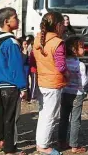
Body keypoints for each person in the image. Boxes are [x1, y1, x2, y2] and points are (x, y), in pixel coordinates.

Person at [0, 7, 27, 155]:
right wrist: (23, 87)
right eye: (15, 17)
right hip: (11, 85)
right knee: (11, 118)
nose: (18, 20)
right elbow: (16, 67)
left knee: (0, 116)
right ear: (7, 22)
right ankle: (10, 150)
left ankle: (0, 143)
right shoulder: (11, 42)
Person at [31, 12, 67, 155]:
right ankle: (44, 145)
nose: (64, 28)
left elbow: (33, 60)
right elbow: (61, 66)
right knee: (50, 116)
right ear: (58, 25)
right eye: (63, 25)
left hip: (42, 81)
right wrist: (68, 74)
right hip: (53, 83)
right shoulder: (58, 43)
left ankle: (41, 142)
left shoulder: (38, 40)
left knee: (44, 113)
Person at [57, 36, 87, 154]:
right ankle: (74, 145)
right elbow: (83, 81)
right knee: (75, 120)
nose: (84, 49)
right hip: (77, 94)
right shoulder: (80, 65)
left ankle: (61, 141)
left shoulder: (64, 63)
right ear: (74, 50)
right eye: (81, 47)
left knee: (63, 118)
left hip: (65, 93)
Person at [18, 37, 30, 102]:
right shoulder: (20, 52)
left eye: (26, 44)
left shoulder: (27, 51)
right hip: (22, 70)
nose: (26, 45)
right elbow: (22, 61)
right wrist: (25, 53)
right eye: (24, 44)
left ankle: (27, 97)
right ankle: (23, 96)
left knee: (27, 83)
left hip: (27, 70)